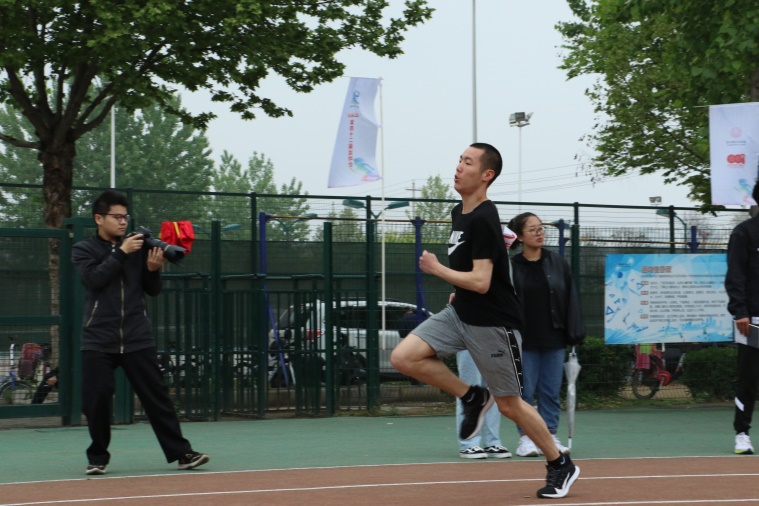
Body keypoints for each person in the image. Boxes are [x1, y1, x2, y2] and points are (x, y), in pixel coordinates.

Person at [391, 143, 580, 499]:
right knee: (404, 357)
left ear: (486, 175)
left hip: (494, 324)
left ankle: (560, 463)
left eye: (467, 162)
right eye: (459, 160)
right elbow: (473, 272)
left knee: (510, 404)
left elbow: (481, 281)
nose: (458, 167)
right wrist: (455, 288)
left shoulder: (484, 218)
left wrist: (437, 269)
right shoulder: (459, 213)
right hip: (461, 312)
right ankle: (472, 397)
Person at [72, 190, 210, 475]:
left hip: (137, 336)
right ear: (98, 218)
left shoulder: (139, 248)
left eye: (125, 217)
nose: (123, 222)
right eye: (116, 217)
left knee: (157, 397)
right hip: (98, 339)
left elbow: (152, 290)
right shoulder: (84, 249)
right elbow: (94, 279)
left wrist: (153, 269)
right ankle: (98, 457)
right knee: (97, 399)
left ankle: (182, 453)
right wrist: (121, 252)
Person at [507, 212, 586, 458]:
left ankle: (549, 436)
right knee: (525, 392)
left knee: (550, 391)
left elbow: (570, 297)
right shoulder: (511, 266)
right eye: (532, 229)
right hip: (523, 339)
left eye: (541, 228)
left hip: (554, 336)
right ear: (520, 236)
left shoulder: (557, 263)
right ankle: (526, 438)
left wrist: (575, 332)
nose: (539, 233)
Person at [724, 181, 759, 455]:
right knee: (749, 378)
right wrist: (740, 311)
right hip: (752, 320)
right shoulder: (744, 232)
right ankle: (742, 433)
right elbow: (735, 274)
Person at [455, 350, 511, 458]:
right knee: (469, 389)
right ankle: (469, 443)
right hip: (468, 342)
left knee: (494, 388)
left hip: (493, 342)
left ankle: (492, 442)